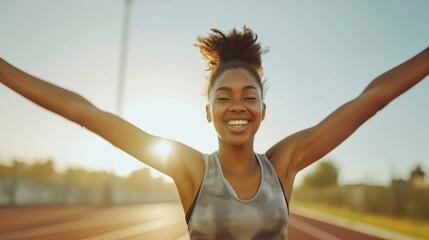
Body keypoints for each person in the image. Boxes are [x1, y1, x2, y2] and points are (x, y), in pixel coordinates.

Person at [0, 26, 428, 239]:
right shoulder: (190, 170)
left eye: (248, 96)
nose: (237, 105)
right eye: (223, 97)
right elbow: (85, 113)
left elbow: (374, 97)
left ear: (263, 109)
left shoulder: (285, 162)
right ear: (208, 112)